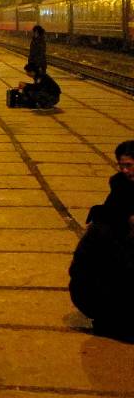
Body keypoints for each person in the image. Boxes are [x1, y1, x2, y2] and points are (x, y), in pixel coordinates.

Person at [69, 140, 134, 340]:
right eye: (122, 165)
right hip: (97, 295)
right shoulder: (109, 225)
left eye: (129, 165)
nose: (125, 170)